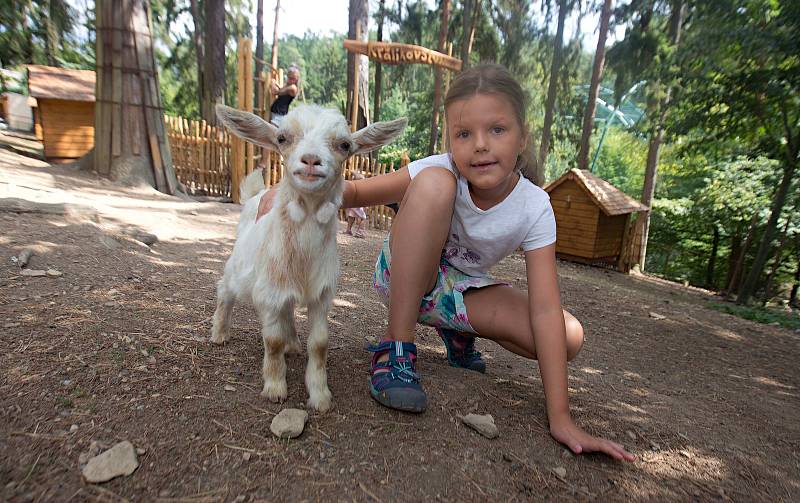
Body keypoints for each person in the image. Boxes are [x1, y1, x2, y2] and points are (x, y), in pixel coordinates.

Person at [257, 64, 635, 462]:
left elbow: (543, 307)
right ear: (450, 140)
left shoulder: (536, 206)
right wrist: (283, 194)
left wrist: (561, 417)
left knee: (568, 333)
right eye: (464, 134)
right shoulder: (439, 167)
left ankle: (454, 331)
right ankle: (397, 351)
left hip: (459, 293)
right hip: (403, 275)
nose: (481, 145)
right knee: (436, 181)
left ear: (523, 136)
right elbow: (350, 192)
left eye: (498, 130)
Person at [345, 172, 368, 238]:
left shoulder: (353, 187)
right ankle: (360, 232)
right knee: (363, 218)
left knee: (351, 217)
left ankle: (348, 230)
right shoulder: (361, 188)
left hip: (352, 206)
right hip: (358, 207)